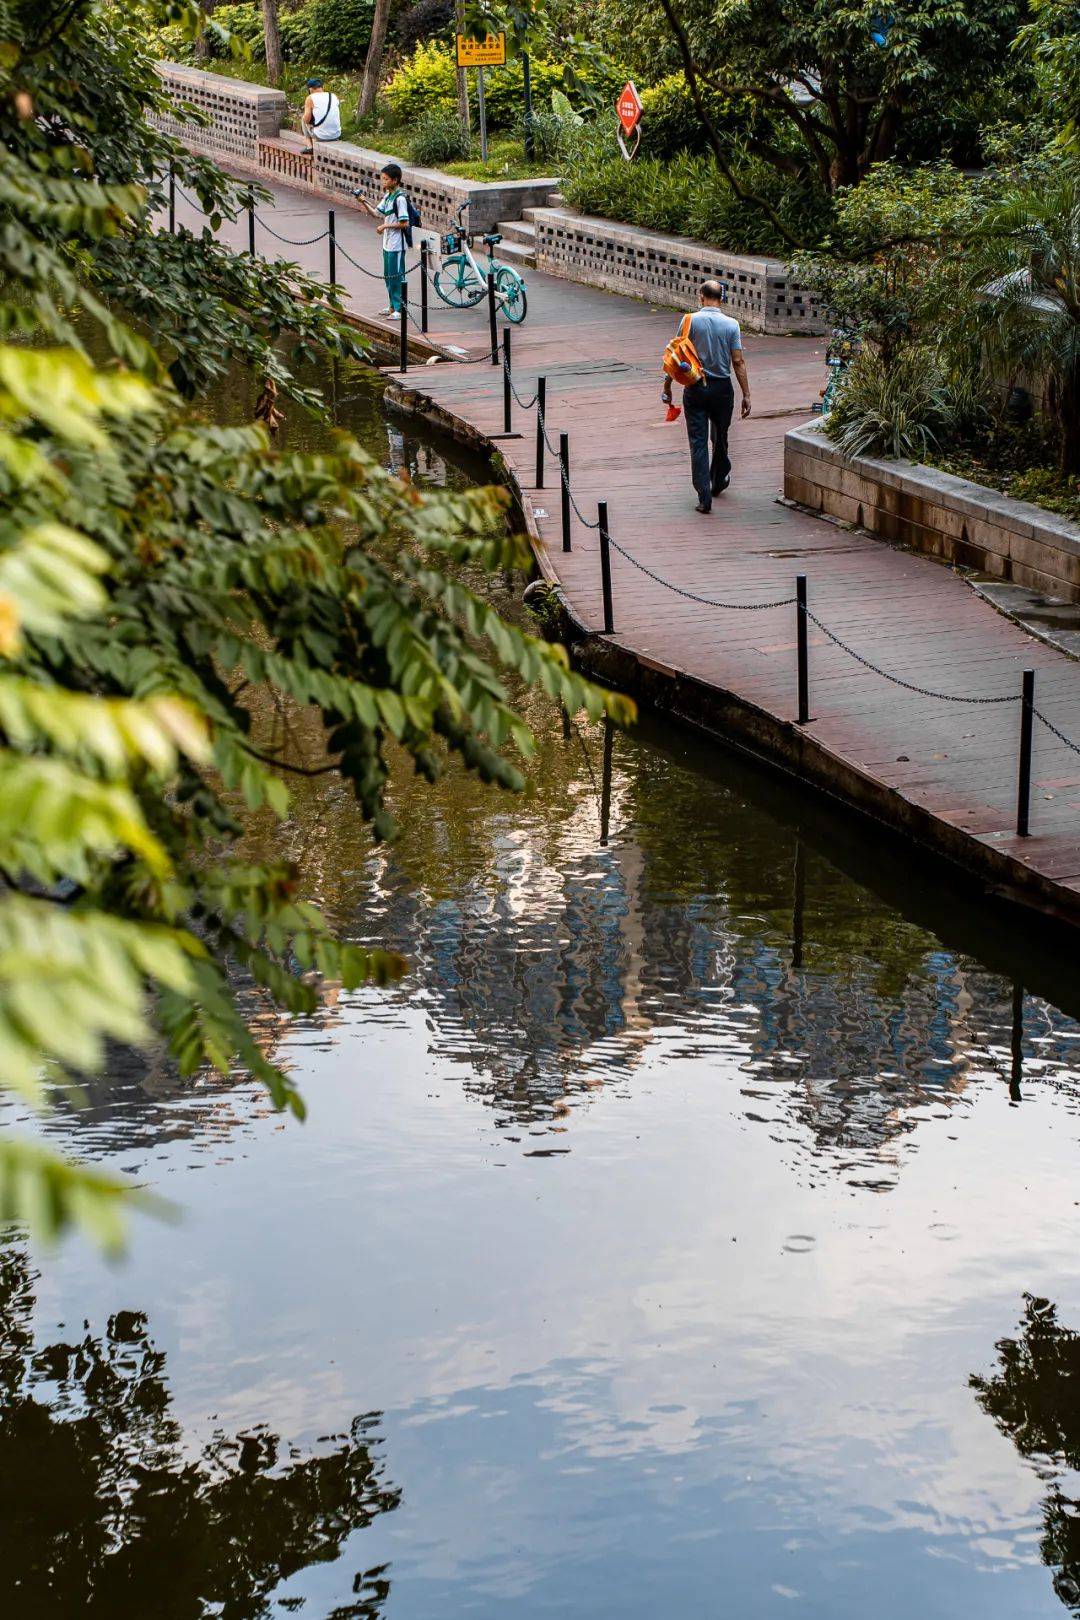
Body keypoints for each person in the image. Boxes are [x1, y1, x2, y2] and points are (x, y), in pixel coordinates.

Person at [662, 280, 751, 514]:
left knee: (698, 442)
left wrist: (668, 385)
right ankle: (719, 479)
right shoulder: (732, 325)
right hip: (722, 389)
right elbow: (738, 361)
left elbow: (676, 355)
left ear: (701, 296)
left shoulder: (690, 320)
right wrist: (746, 394)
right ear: (721, 298)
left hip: (696, 387)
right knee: (720, 437)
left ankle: (704, 497)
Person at [356, 163, 410, 320]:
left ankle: (400, 308)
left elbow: (404, 223)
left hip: (397, 245)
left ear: (395, 180)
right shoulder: (387, 197)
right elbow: (376, 213)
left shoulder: (400, 199)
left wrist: (385, 225)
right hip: (387, 243)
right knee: (388, 275)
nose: (383, 182)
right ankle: (392, 305)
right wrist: (363, 202)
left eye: (386, 179)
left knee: (396, 276)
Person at [301, 77, 341, 154]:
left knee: (303, 118)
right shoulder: (333, 96)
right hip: (336, 135)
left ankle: (309, 146)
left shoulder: (310, 98)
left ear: (310, 89)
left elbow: (307, 120)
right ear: (322, 87)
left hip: (321, 136)